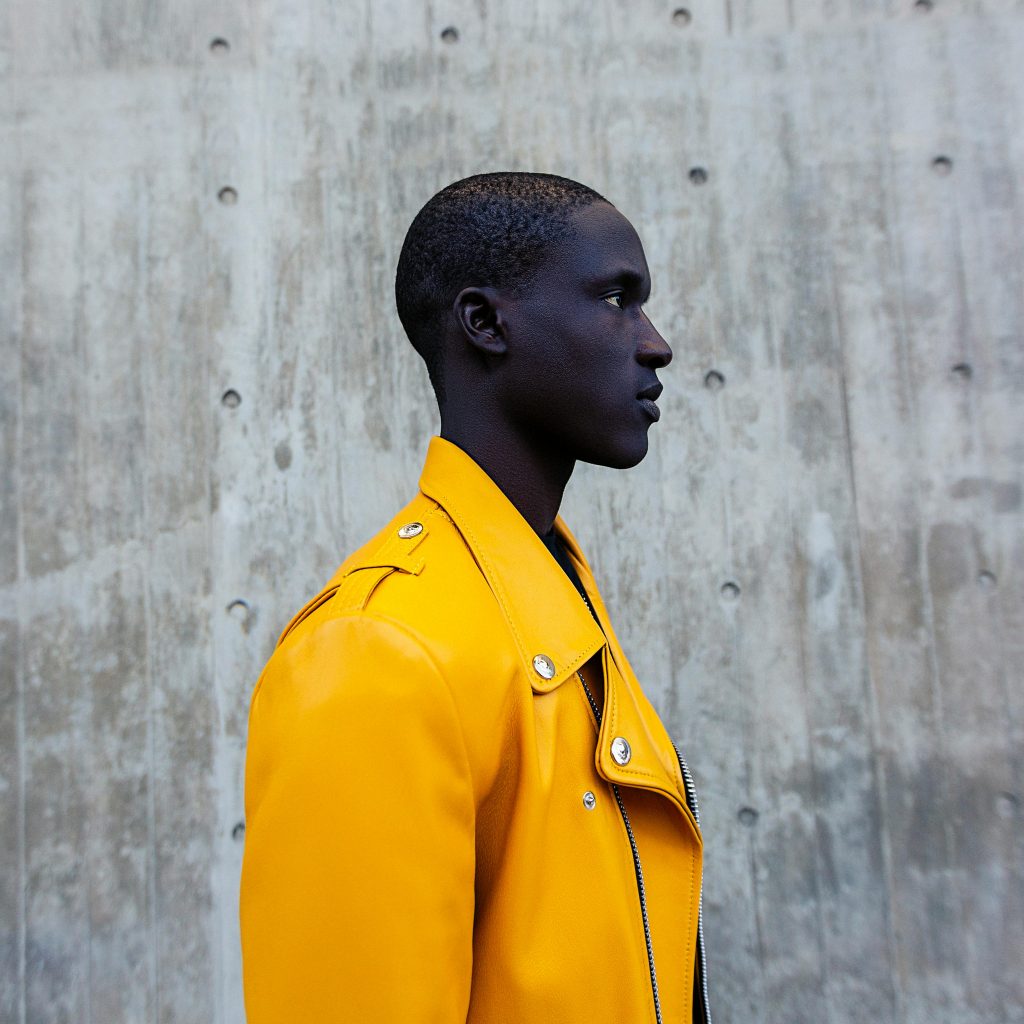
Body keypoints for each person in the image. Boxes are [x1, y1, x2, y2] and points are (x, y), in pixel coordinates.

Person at [239, 171, 710, 1023]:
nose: (655, 343)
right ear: (486, 323)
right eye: (615, 299)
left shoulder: (550, 595)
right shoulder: (379, 651)